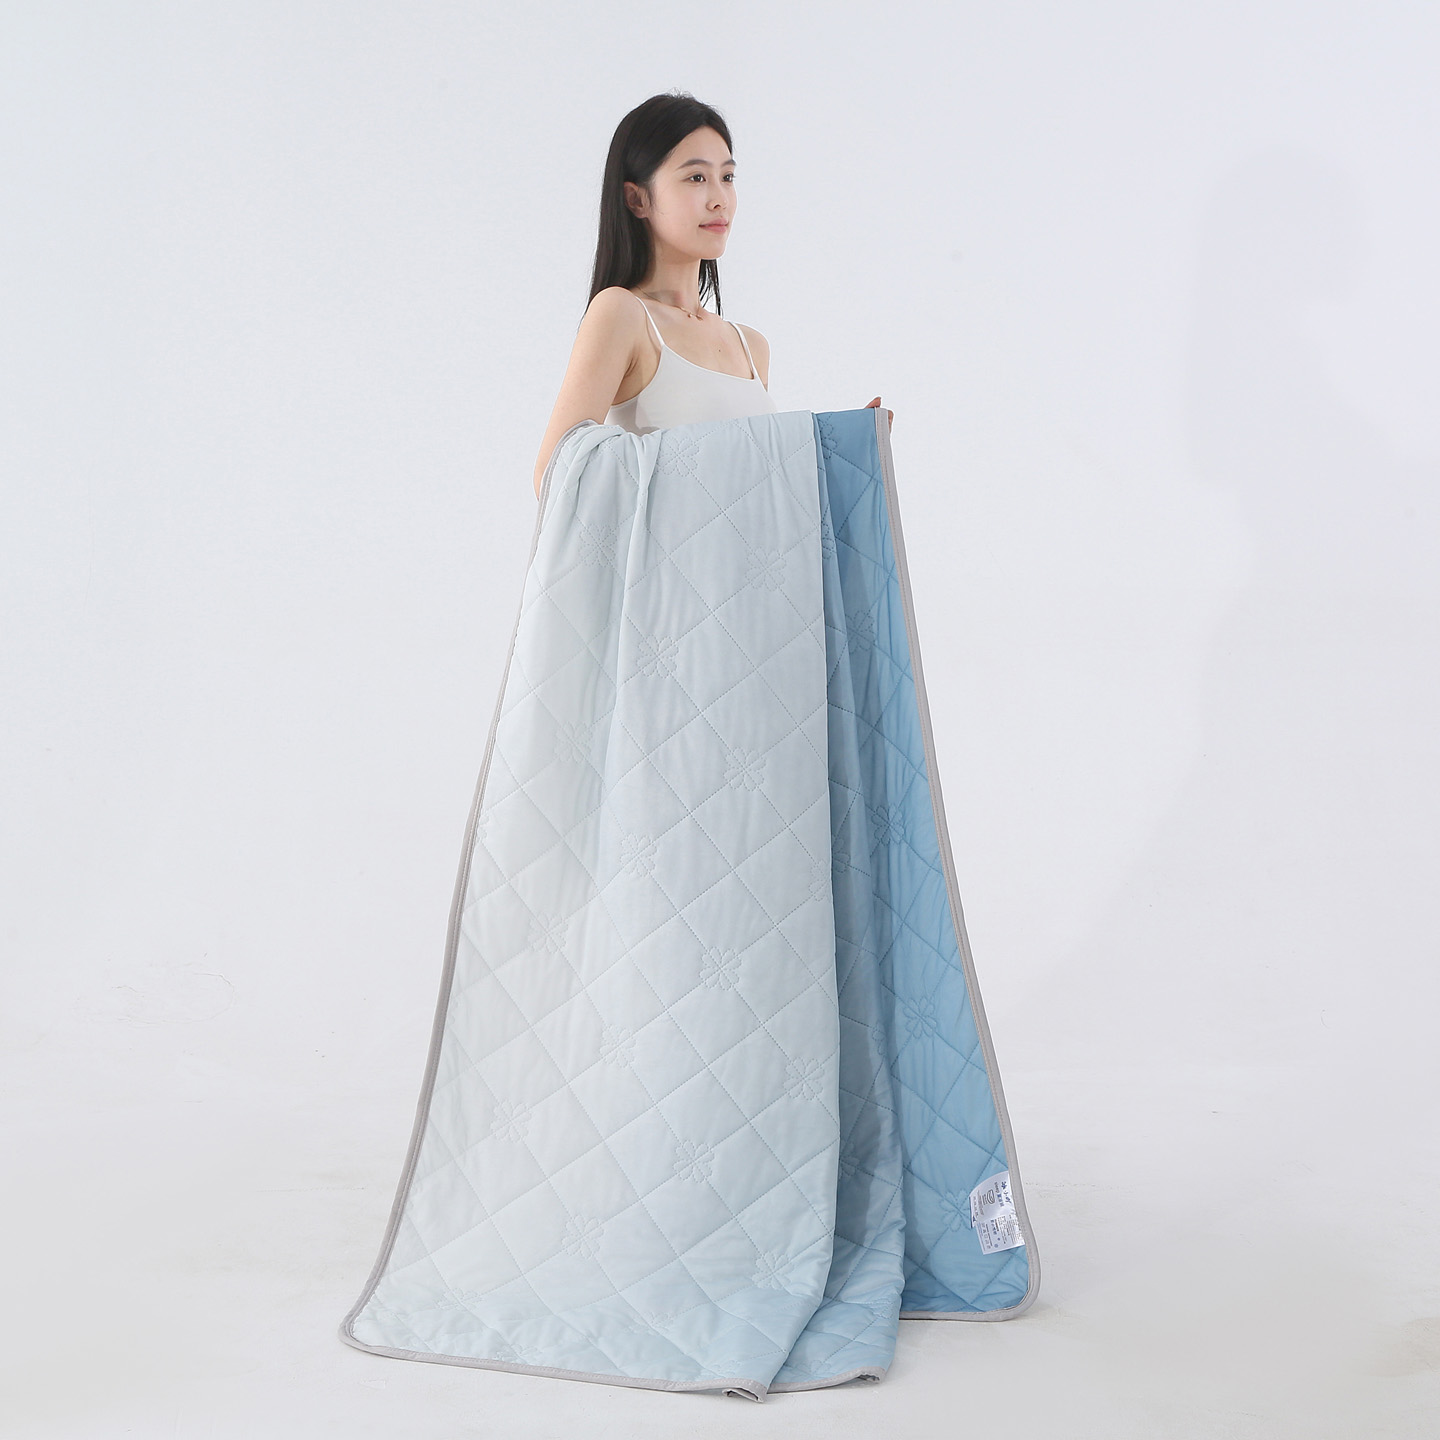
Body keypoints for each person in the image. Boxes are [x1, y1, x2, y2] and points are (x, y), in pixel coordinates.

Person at [531, 90, 892, 499]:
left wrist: (840, 459)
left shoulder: (751, 347)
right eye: (696, 178)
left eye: (728, 177)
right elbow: (554, 475)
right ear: (637, 199)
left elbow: (758, 497)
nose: (720, 199)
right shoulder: (622, 314)